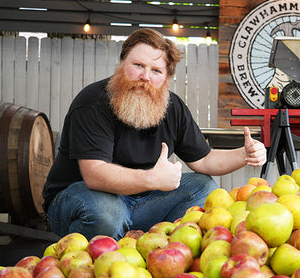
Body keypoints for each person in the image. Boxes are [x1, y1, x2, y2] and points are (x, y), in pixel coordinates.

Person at [42, 28, 266, 240]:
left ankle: (156, 250)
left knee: (203, 186)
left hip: (138, 202)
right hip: (79, 199)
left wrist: (244, 154)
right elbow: (94, 174)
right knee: (108, 211)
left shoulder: (172, 107)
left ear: (166, 78)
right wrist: (151, 179)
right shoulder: (93, 102)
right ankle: (104, 250)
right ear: (121, 64)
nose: (145, 76)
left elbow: (204, 159)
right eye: (138, 65)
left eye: (156, 71)